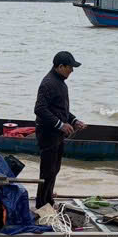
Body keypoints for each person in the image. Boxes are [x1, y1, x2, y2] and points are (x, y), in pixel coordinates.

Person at [34, 51, 87, 209]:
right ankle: (41, 204)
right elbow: (39, 109)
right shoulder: (48, 83)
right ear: (60, 66)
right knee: (47, 170)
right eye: (70, 67)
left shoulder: (60, 83)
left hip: (57, 134)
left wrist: (73, 120)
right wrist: (60, 124)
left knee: (55, 169)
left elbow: (60, 109)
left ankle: (48, 199)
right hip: (48, 133)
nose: (72, 71)